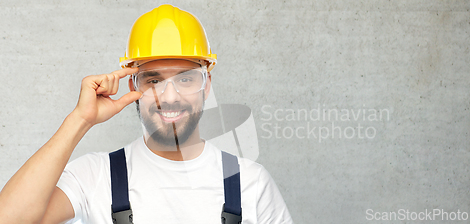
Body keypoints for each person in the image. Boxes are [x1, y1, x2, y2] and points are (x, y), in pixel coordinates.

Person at [0, 4, 293, 224]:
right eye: (153, 81)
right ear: (133, 86)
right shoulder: (96, 175)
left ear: (206, 86)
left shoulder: (249, 183)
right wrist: (80, 120)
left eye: (185, 79)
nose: (169, 96)